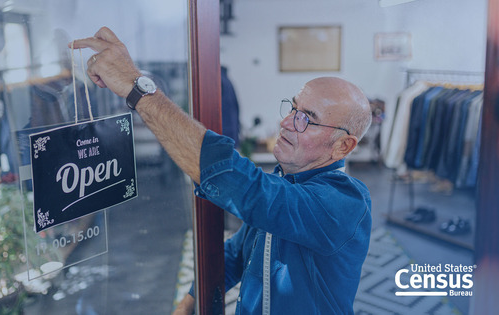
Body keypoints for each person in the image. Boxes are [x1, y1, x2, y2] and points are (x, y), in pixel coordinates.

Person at [71, 27, 372, 315]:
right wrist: (190, 300)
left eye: (306, 118)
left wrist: (135, 87)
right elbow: (239, 253)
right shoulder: (286, 181)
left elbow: (243, 186)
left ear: (343, 146)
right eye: (293, 109)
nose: (286, 123)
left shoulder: (345, 202)